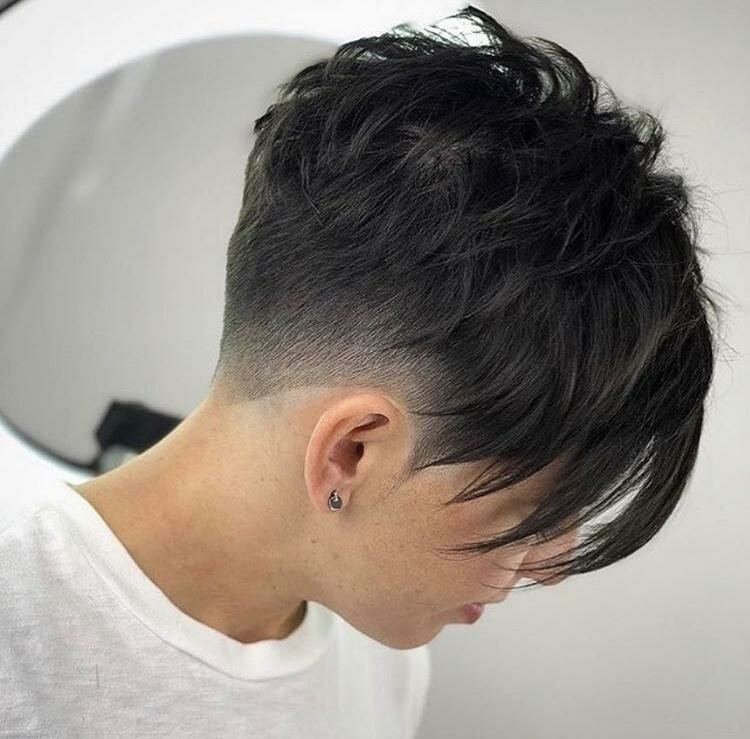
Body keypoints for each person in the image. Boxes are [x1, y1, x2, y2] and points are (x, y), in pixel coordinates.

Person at [0, 5, 722, 738]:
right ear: (351, 452)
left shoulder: (379, 661)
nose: (553, 565)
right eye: (535, 515)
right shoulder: (18, 636)